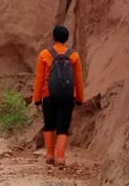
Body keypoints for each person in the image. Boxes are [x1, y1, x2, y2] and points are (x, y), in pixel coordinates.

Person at [32, 25, 85, 168]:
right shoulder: (74, 56)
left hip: (48, 95)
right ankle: (60, 158)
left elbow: (40, 78)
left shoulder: (45, 54)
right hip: (67, 97)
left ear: (53, 37)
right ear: (66, 39)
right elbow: (78, 79)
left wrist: (37, 99)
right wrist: (80, 98)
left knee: (49, 124)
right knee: (63, 127)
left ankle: (50, 155)